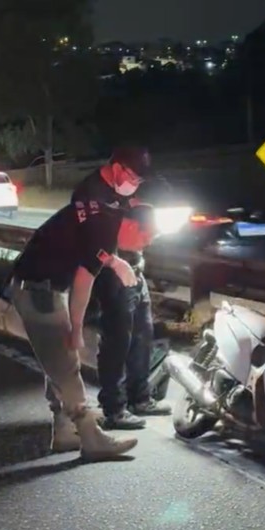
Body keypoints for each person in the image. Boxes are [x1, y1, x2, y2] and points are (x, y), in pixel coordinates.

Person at [4, 198, 156, 461]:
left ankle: (64, 433)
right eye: (148, 235)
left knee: (56, 363)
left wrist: (115, 262)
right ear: (130, 225)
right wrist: (75, 330)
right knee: (66, 367)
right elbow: (84, 286)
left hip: (41, 287)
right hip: (38, 291)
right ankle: (91, 438)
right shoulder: (102, 231)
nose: (149, 243)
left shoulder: (103, 222)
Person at [69, 147, 171, 431]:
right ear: (117, 168)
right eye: (133, 178)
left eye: (140, 181)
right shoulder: (88, 193)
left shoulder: (123, 190)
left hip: (133, 265)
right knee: (117, 338)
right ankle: (114, 408)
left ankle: (141, 397)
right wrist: (115, 263)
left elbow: (132, 217)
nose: (134, 185)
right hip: (107, 272)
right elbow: (87, 244)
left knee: (142, 332)